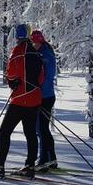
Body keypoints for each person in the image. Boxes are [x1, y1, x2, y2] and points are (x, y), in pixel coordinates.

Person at [0, 24, 44, 179]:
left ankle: (0, 166)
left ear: (17, 36)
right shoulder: (36, 53)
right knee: (31, 134)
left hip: (19, 100)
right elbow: (41, 78)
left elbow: (11, 73)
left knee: (5, 132)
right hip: (34, 99)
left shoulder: (17, 52)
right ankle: (30, 166)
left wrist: (12, 81)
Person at [32, 30, 58, 171]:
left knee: (41, 129)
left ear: (40, 42)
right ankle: (51, 159)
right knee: (42, 129)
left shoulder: (46, 54)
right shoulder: (41, 52)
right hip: (43, 95)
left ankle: (44, 160)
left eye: (34, 42)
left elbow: (48, 76)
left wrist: (37, 87)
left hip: (45, 96)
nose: (33, 45)